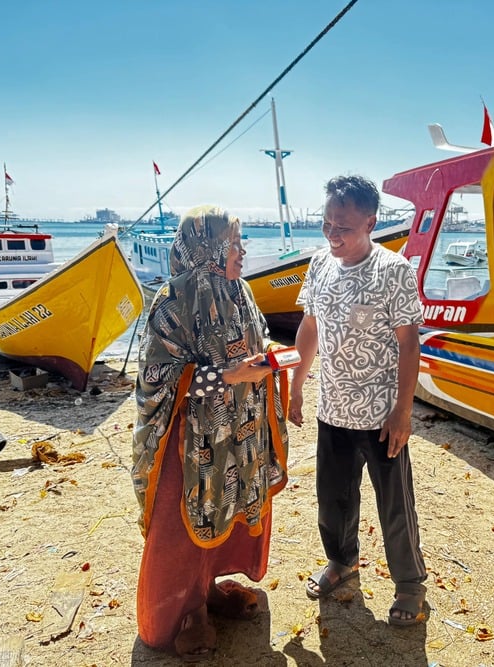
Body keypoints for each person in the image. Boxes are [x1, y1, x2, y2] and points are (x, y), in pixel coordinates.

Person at [131, 205, 290, 658]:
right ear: (208, 248)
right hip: (191, 444)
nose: (242, 251)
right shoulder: (173, 300)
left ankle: (210, 588)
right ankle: (187, 612)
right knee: (187, 520)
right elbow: (156, 377)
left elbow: (252, 340)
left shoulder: (239, 290)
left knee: (227, 509)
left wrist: (270, 360)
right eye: (234, 243)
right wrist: (224, 377)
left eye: (240, 242)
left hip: (238, 434)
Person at [288, 175, 428, 627]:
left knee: (394, 505)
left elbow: (410, 344)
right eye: (327, 223)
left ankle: (409, 585)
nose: (332, 233)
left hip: (381, 414)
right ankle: (341, 562)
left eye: (343, 226)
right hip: (333, 410)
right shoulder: (319, 264)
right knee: (333, 499)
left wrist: (403, 410)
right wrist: (297, 383)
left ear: (370, 222)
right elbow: (310, 327)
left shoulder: (394, 271)